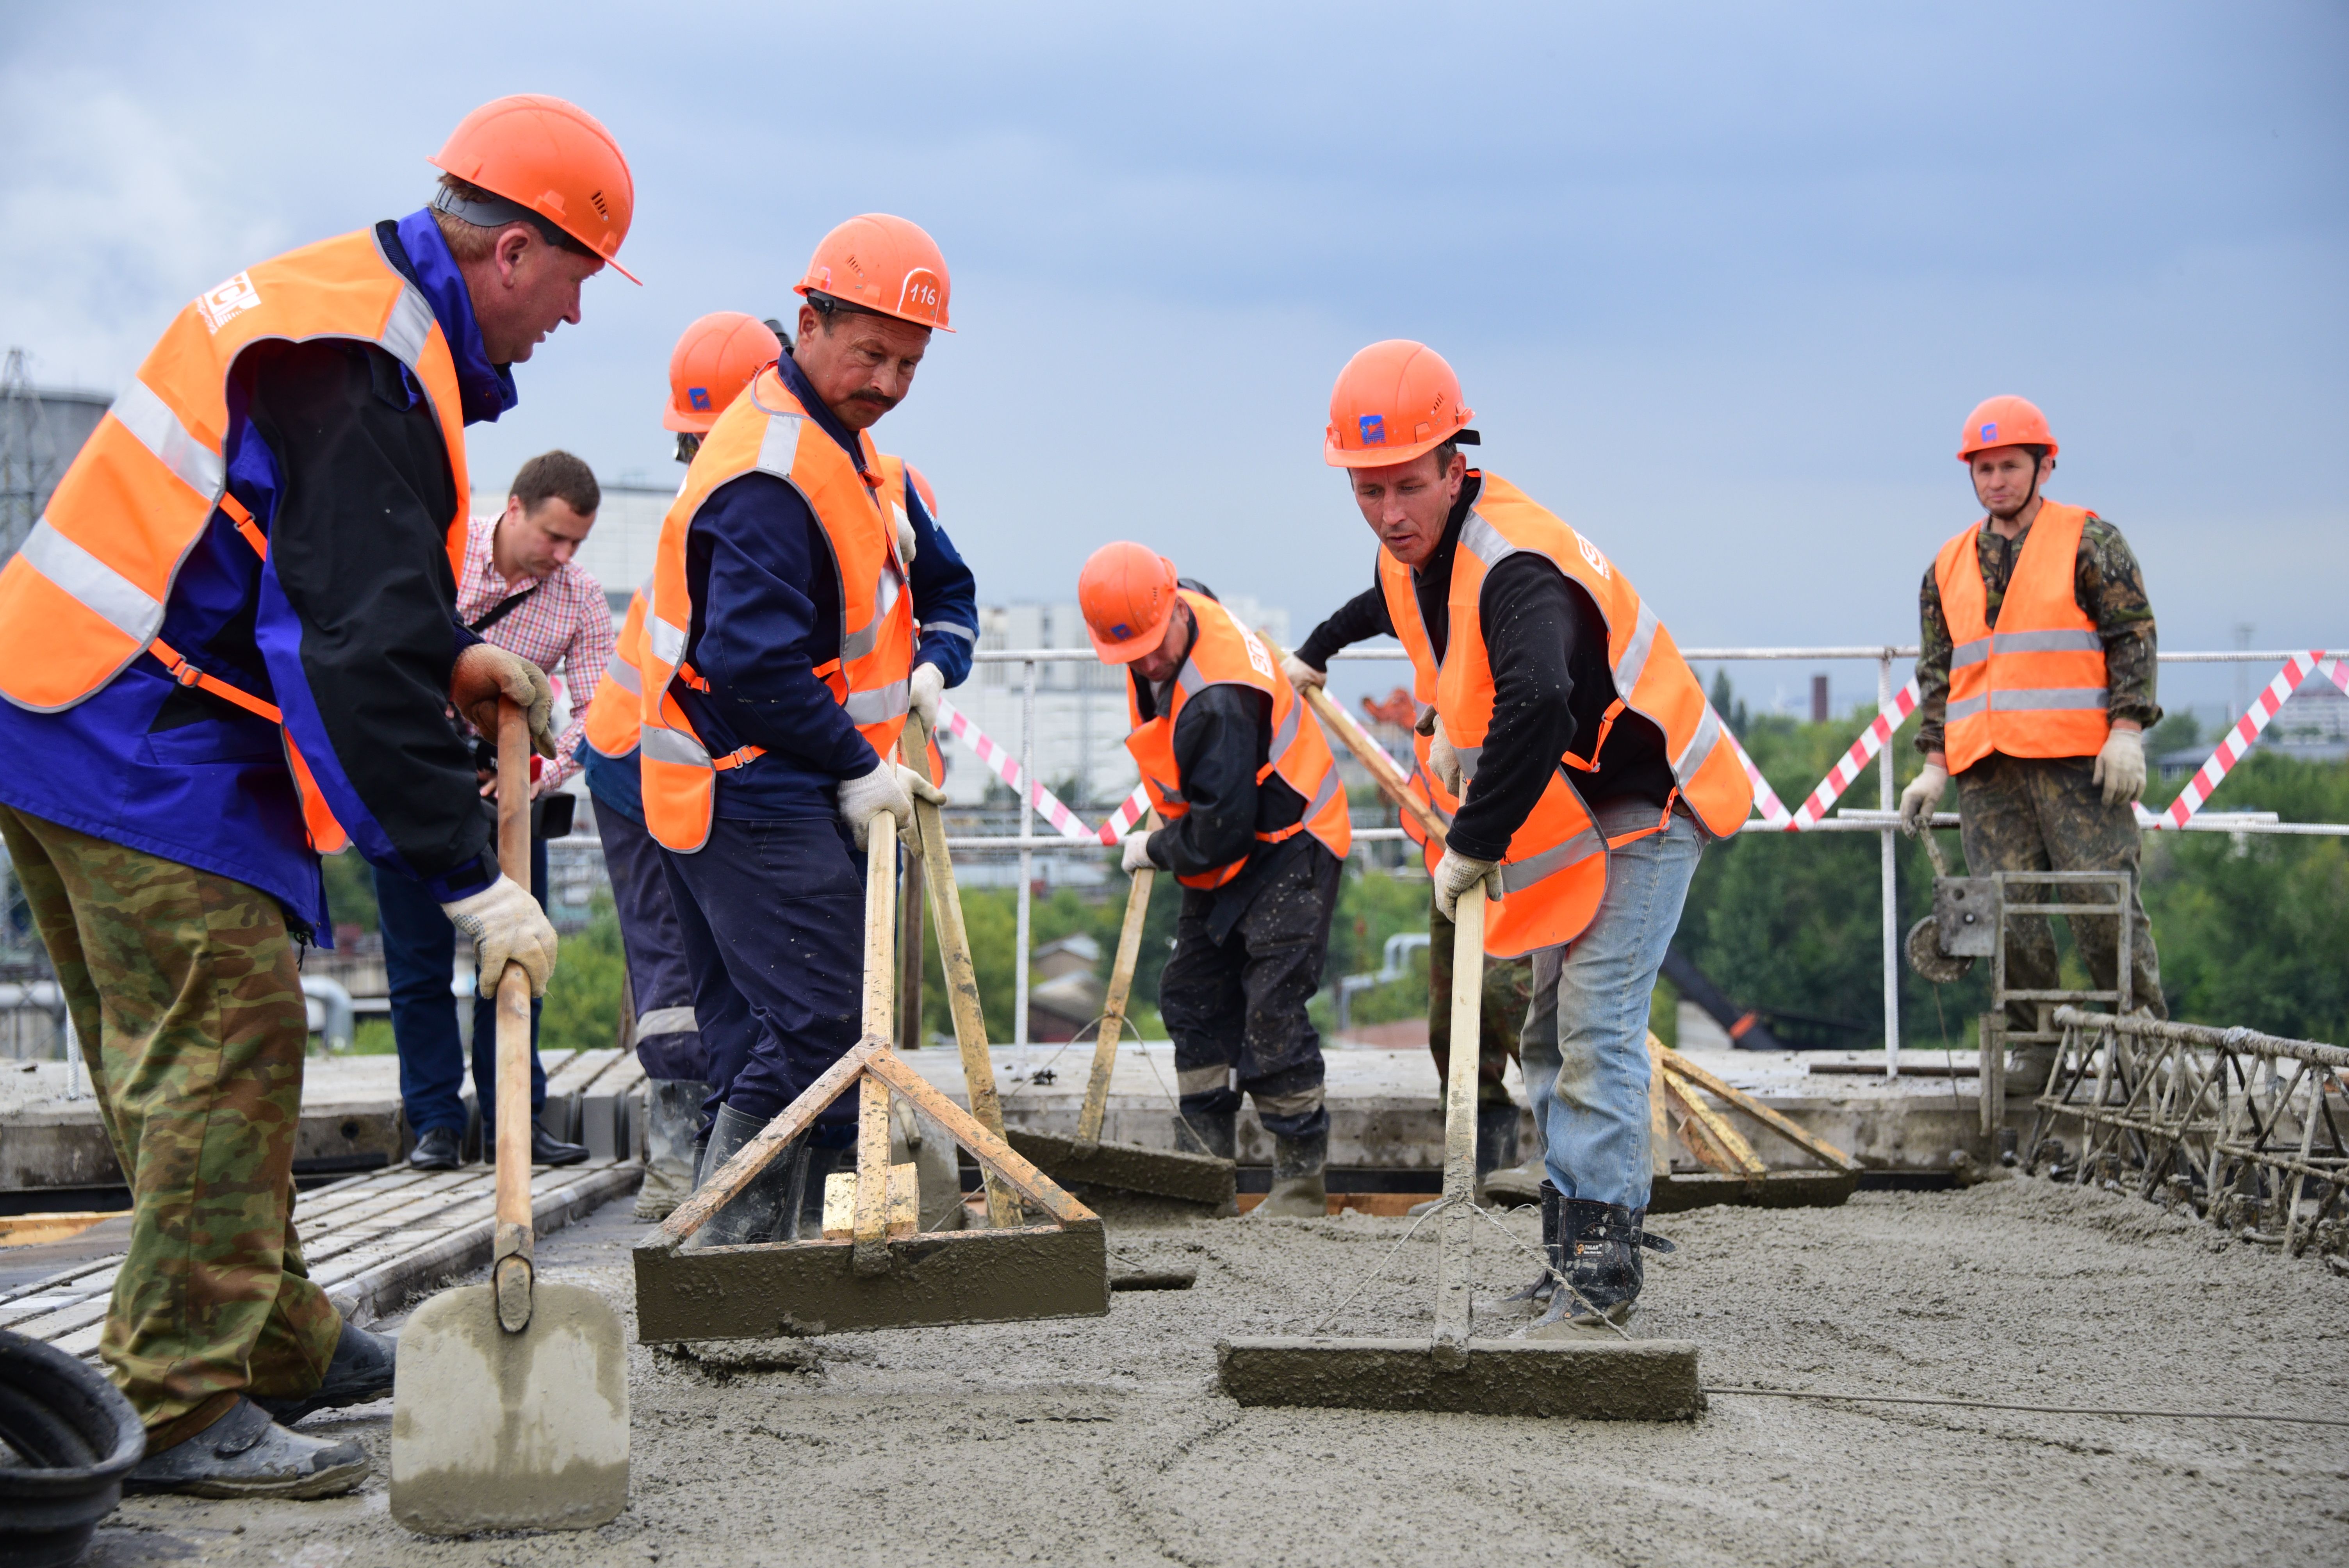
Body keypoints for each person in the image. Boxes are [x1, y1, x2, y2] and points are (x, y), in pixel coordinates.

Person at [0, 95, 635, 1495]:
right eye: (581, 282)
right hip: (133, 725)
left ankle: (274, 1332)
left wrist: (450, 657)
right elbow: (350, 644)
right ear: (514, 252)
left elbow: (347, 594)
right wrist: (471, 878)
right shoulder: (363, 361)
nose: (573, 320)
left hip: (68, 704)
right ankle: (176, 1399)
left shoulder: (349, 312)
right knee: (224, 1046)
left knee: (198, 1051)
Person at [1316, 340, 1752, 1325]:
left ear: (1454, 464)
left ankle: (1601, 1270)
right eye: (1366, 490)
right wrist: (1317, 653)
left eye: (1407, 486)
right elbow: (1436, 657)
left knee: (1595, 1027)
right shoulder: (1429, 556)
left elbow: (1543, 701)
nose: (1389, 513)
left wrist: (1471, 842)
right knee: (1549, 1033)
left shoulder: (1511, 564)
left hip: (1651, 798)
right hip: (1583, 811)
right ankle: (1567, 1251)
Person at [636, 216, 977, 1245]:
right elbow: (750, 665)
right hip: (746, 775)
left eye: (908, 363)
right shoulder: (771, 476)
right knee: (825, 1022)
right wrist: (853, 765)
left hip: (799, 770)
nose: (887, 379)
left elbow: (920, 597)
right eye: (870, 353)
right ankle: (729, 1243)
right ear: (809, 322)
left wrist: (922, 676)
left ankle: (769, 1245)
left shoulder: (846, 447)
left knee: (814, 1021)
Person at [1898, 396, 2165, 1094]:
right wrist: (1933, 767)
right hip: (1987, 772)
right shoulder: (1948, 566)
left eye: (2010, 466)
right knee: (2004, 911)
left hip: (2080, 766)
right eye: (1984, 469)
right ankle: (2036, 1049)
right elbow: (1941, 675)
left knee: (2101, 903)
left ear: (2044, 466)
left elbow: (2131, 637)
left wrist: (2128, 732)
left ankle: (2143, 1047)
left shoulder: (2090, 542)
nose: (1996, 481)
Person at [577, 311, 782, 1219]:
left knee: (729, 962)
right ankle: (675, 1158)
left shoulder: (745, 479)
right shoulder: (736, 495)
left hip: (693, 757)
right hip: (641, 761)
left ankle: (719, 1161)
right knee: (673, 963)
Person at [1078, 543, 1354, 1217]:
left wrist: (1154, 847)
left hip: (1291, 845)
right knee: (1193, 996)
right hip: (1232, 841)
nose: (1146, 665)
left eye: (1151, 648)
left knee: (1272, 1008)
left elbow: (1220, 833)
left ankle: (1299, 1181)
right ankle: (1202, 1167)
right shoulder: (1177, 607)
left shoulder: (1219, 702)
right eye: (1130, 656)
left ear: (1174, 607)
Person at [377, 450, 613, 1171]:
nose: (563, 555)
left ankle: (520, 1117)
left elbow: (603, 709)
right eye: (553, 536)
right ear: (514, 510)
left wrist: (539, 770)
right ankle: (436, 1127)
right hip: (410, 782)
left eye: (576, 542)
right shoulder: (439, 554)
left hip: (509, 798)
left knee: (516, 955)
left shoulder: (579, 596)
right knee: (417, 966)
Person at [1288, 581, 1534, 1201]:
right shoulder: (1421, 600)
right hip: (1447, 851)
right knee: (1453, 1022)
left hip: (1516, 849)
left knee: (1514, 999)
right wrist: (1316, 650)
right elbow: (1373, 607)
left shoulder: (1492, 607)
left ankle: (1573, 1160)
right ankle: (1481, 1164)